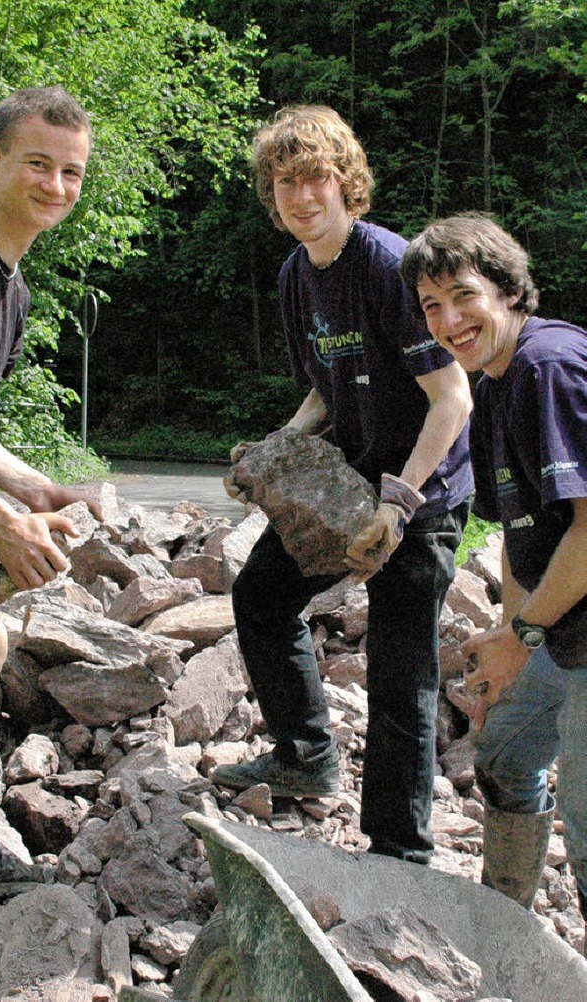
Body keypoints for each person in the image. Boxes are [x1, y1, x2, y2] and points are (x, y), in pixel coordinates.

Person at [211, 105, 473, 864]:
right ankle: (304, 758)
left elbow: (452, 395)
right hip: (346, 491)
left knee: (401, 670)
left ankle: (399, 851)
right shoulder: (298, 275)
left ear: (345, 182)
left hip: (420, 498)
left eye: (315, 177)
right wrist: (273, 453)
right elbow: (324, 393)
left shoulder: (392, 266)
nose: (301, 196)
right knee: (261, 596)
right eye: (285, 181)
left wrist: (400, 502)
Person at [400, 212, 586, 928]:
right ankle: (501, 932)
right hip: (561, 623)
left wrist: (521, 638)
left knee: (586, 817)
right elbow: (521, 529)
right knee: (505, 755)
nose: (449, 320)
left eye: (464, 295)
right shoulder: (497, 381)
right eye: (432, 307)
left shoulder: (548, 368)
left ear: (509, 291)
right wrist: (511, 636)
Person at [0, 86, 99, 894]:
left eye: (72, 172)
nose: (56, 186)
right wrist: (0, 521)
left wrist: (36, 488)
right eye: (38, 164)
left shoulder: (12, 287)